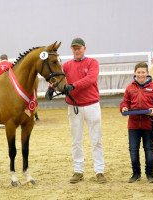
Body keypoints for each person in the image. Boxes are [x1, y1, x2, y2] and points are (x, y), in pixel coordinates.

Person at [62, 38, 107, 184]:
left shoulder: (92, 63)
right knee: (76, 140)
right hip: (74, 107)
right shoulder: (66, 66)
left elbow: (91, 79)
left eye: (79, 48)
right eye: (74, 48)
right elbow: (60, 80)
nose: (76, 51)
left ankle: (99, 171)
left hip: (91, 105)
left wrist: (73, 86)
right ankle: (78, 171)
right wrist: (51, 87)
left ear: (84, 49)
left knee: (96, 139)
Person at [120, 62, 153, 183]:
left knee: (149, 149)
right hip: (133, 125)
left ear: (147, 73)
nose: (141, 74)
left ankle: (150, 174)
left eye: (143, 72)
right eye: (138, 72)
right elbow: (125, 102)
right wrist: (124, 108)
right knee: (133, 149)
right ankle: (136, 174)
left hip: (148, 124)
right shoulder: (130, 88)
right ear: (135, 73)